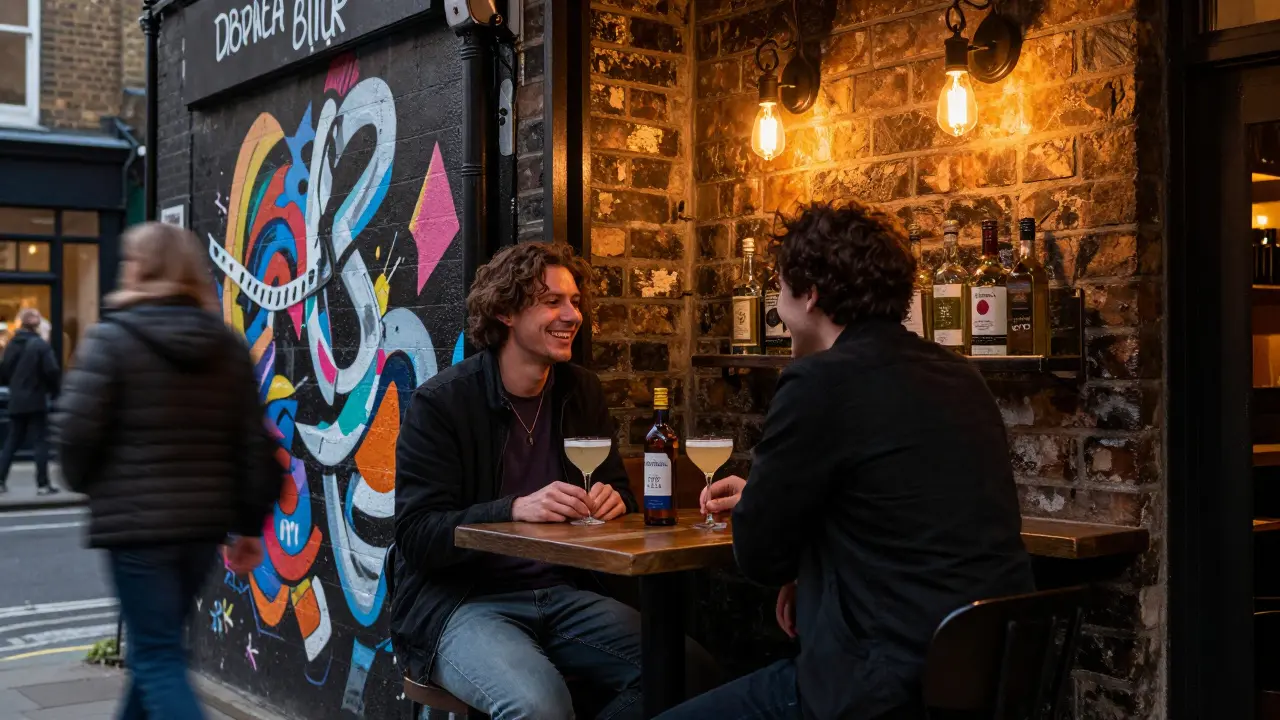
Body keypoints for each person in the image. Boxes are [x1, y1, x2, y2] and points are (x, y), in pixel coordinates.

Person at [658, 202, 1035, 720]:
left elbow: (760, 554)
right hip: (982, 683)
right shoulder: (959, 375)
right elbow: (895, 509)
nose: (778, 304)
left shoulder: (818, 383)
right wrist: (776, 507)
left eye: (780, 287)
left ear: (808, 295)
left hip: (879, 689)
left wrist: (769, 510)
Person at [392, 242, 651, 719]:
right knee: (539, 707)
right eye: (553, 301)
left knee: (686, 671)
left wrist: (615, 501)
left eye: (574, 301)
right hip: (464, 603)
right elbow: (416, 535)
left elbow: (621, 494)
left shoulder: (580, 390)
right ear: (506, 312)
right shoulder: (443, 403)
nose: (572, 315)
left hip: (564, 595)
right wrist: (510, 509)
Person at [53, 222, 281, 720]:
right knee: (154, 653)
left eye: (130, 259)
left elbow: (74, 435)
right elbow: (254, 446)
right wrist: (247, 525)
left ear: (144, 267)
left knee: (156, 657)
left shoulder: (111, 340)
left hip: (136, 531)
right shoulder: (227, 348)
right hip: (200, 530)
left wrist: (91, 483)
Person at [0, 308, 60, 495]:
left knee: (12, 441)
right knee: (40, 442)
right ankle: (42, 485)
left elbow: (4, 371)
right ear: (37, 325)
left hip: (16, 399)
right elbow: (52, 371)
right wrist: (53, 391)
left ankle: (0, 480)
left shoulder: (11, 344)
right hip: (36, 399)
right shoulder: (41, 345)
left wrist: (16, 385)